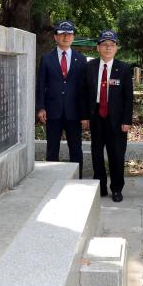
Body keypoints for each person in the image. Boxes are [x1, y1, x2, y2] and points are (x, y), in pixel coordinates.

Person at [81, 30, 133, 202]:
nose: (108, 48)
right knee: (96, 153)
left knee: (116, 155)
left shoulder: (124, 68)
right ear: (98, 48)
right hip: (96, 116)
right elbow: (84, 94)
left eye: (111, 45)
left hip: (117, 120)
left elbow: (128, 97)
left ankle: (117, 189)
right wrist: (84, 116)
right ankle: (100, 186)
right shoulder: (89, 67)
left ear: (116, 48)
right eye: (104, 45)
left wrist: (126, 120)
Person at [36, 20, 87, 178]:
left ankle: (77, 179)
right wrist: (41, 108)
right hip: (53, 111)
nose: (66, 37)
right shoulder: (47, 59)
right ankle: (51, 179)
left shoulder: (81, 59)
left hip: (74, 112)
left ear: (73, 36)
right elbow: (40, 85)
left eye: (69, 33)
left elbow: (84, 89)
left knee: (76, 149)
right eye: (62, 34)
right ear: (55, 37)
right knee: (52, 149)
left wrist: (85, 115)